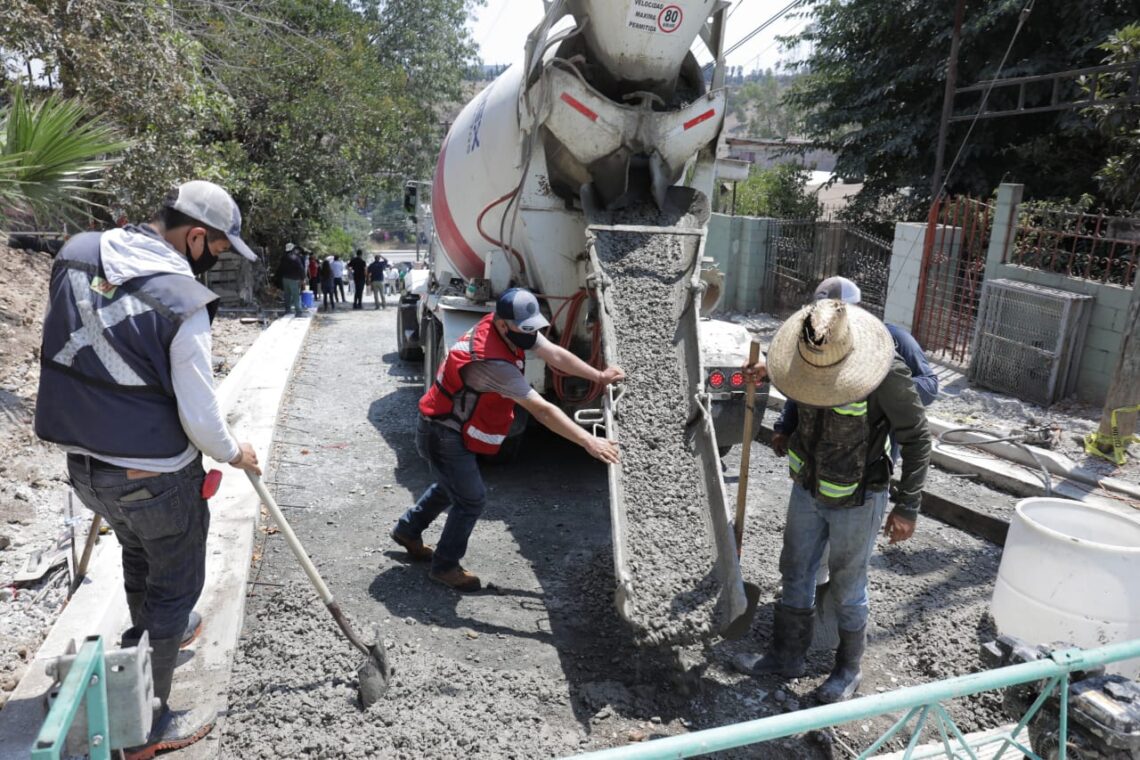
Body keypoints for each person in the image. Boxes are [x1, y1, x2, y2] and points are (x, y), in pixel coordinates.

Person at [33, 180, 262, 757]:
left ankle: (145, 643)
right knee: (176, 583)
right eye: (219, 249)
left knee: (138, 552)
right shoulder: (183, 302)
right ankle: (147, 723)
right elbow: (202, 420)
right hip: (154, 476)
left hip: (86, 470)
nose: (217, 260)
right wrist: (236, 452)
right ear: (197, 237)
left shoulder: (78, 252)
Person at [738, 298, 930, 704]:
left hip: (858, 498)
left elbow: (917, 438)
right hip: (807, 487)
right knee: (795, 568)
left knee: (847, 585)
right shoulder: (805, 354)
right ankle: (787, 655)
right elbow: (790, 380)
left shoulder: (886, 374)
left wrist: (907, 506)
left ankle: (847, 670)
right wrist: (768, 372)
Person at [390, 288, 624, 592]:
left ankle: (408, 530)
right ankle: (445, 566)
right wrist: (587, 441)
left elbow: (554, 354)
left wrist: (599, 376)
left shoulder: (509, 328)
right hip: (441, 433)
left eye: (534, 327)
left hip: (448, 427)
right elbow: (542, 409)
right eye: (525, 329)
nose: (532, 335)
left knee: (452, 486)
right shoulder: (492, 362)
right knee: (471, 499)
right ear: (502, 324)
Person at [279, 242, 305, 317]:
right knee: (295, 295)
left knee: (287, 295)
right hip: (294, 279)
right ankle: (298, 311)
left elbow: (280, 269)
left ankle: (287, 310)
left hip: (285, 279)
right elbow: (301, 268)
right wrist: (302, 278)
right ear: (293, 249)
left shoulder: (283, 257)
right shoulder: (296, 257)